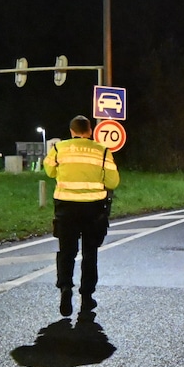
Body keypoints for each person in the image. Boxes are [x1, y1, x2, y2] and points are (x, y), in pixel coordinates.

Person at [43, 115, 120, 316]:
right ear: (91, 131)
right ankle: (86, 296)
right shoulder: (102, 151)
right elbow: (113, 182)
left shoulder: (59, 149)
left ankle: (65, 288)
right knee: (89, 254)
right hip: (93, 211)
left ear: (71, 131)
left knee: (66, 252)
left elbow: (50, 171)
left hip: (66, 209)